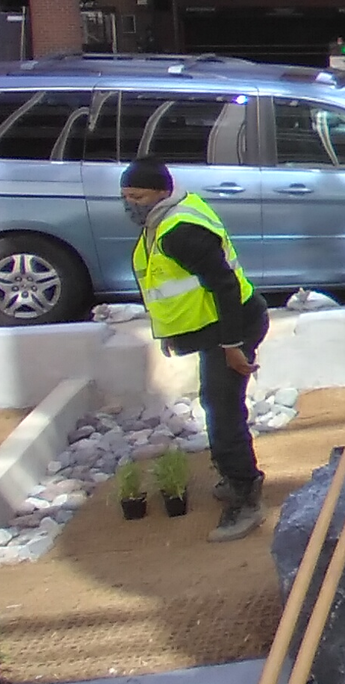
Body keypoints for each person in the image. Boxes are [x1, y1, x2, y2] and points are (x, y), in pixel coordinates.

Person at [122, 157, 271, 542]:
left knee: (223, 411)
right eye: (125, 197)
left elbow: (225, 287)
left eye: (137, 196)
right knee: (216, 404)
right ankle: (237, 479)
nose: (131, 204)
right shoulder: (163, 222)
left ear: (161, 192)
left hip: (233, 326)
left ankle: (245, 495)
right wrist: (175, 334)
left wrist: (233, 346)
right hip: (216, 329)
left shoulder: (179, 231)